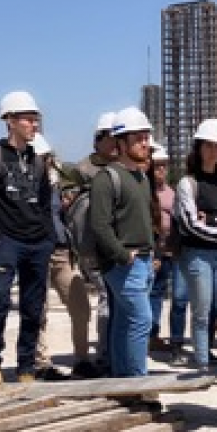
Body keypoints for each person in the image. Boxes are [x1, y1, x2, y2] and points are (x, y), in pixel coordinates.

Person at [0, 91, 56, 391]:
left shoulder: (39, 163)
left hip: (37, 244)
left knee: (34, 307)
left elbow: (45, 204)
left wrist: (47, 238)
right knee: (0, 301)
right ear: (10, 121)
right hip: (8, 243)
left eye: (36, 119)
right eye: (29, 119)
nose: (35, 125)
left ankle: (26, 367)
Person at [90, 106, 156, 381]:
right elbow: (99, 225)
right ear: (121, 142)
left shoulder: (141, 178)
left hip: (143, 260)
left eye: (146, 137)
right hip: (124, 264)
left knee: (122, 322)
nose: (145, 142)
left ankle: (121, 381)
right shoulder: (107, 179)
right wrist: (121, 255)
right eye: (138, 137)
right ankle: (138, 383)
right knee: (142, 320)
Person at [173, 118, 217, 377]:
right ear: (198, 148)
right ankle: (201, 364)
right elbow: (189, 224)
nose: (212, 151)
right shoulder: (188, 183)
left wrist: (211, 219)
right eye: (208, 145)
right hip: (196, 255)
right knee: (201, 310)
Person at [37, 133, 94, 377]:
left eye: (48, 158)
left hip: (61, 251)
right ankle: (40, 363)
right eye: (44, 158)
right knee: (37, 311)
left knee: (80, 305)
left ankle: (81, 359)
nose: (48, 162)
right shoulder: (23, 186)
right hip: (36, 251)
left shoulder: (55, 186)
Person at [74, 112, 118, 376]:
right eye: (111, 139)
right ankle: (105, 355)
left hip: (117, 248)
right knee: (106, 300)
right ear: (99, 140)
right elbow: (76, 214)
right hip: (93, 247)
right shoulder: (83, 171)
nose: (115, 145)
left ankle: (114, 353)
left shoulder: (123, 169)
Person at [148, 145, 187, 358]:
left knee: (175, 297)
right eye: (157, 166)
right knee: (153, 294)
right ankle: (151, 335)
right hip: (155, 251)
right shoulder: (146, 192)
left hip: (172, 251)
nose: (161, 170)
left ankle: (175, 340)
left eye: (164, 166)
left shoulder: (172, 193)